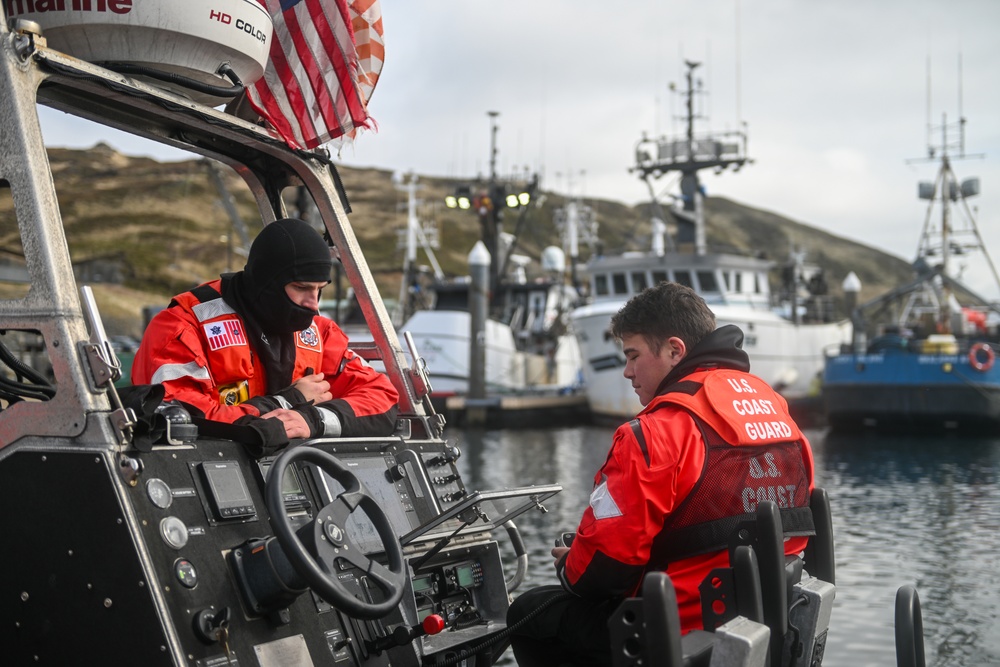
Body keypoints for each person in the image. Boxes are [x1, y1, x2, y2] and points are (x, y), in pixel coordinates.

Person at [506, 282, 816, 666]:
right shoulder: (779, 413)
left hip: (680, 631)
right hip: (770, 626)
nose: (627, 371)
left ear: (674, 350)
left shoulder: (655, 433)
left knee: (529, 613)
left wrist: (569, 563)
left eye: (633, 355)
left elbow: (602, 571)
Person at [132, 217, 399, 452]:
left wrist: (312, 420)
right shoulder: (184, 326)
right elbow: (179, 419)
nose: (313, 303)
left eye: (320, 289)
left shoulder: (320, 333)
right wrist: (289, 401)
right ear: (266, 281)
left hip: (293, 475)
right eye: (301, 287)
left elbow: (382, 400)